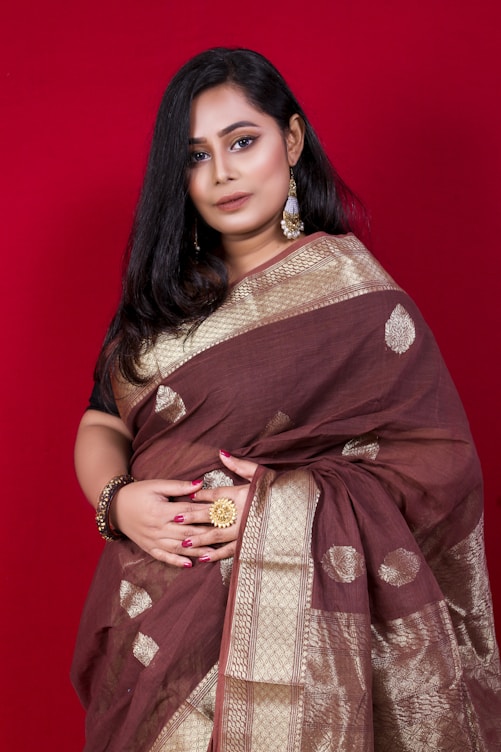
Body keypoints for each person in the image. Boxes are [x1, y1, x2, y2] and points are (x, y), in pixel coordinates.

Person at [71, 47, 501, 751]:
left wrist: (284, 511)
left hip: (305, 619)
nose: (223, 173)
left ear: (291, 140)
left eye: (243, 141)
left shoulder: (358, 300)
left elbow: (440, 469)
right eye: (196, 156)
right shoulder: (158, 300)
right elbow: (100, 419)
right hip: (161, 619)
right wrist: (115, 501)